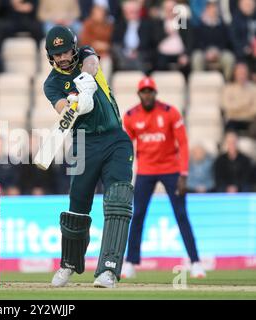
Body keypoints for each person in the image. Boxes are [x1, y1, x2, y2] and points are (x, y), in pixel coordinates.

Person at [43, 25, 134, 288]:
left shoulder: (85, 55)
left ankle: (108, 270)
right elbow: (63, 112)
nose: (62, 57)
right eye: (56, 53)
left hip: (115, 138)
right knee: (77, 207)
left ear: (73, 47)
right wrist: (74, 103)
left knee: (118, 200)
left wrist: (84, 83)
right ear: (50, 55)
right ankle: (69, 264)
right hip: (82, 143)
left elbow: (93, 63)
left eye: (65, 51)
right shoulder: (51, 84)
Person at [122, 76, 206, 279]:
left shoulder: (169, 112)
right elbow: (125, 147)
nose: (147, 95)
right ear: (139, 94)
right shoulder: (131, 116)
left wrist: (184, 175)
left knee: (181, 214)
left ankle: (195, 262)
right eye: (144, 92)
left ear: (155, 93)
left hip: (171, 170)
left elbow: (183, 144)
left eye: (150, 91)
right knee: (138, 215)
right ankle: (130, 262)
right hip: (146, 171)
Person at [191, 0, 235, 81]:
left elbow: (226, 43)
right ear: (206, 10)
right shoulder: (199, 27)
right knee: (196, 57)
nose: (213, 11)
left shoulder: (223, 27)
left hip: (219, 53)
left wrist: (217, 52)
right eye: (210, 9)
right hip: (204, 53)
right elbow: (197, 43)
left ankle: (226, 82)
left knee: (229, 58)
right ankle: (199, 82)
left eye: (214, 9)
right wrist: (206, 52)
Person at [221, 63, 256, 135]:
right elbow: (227, 108)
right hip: (233, 121)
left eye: (244, 73)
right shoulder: (228, 88)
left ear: (247, 74)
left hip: (249, 121)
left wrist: (237, 109)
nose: (242, 76)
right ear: (235, 74)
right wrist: (246, 104)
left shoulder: (253, 88)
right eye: (239, 73)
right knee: (229, 132)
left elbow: (254, 110)